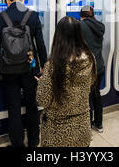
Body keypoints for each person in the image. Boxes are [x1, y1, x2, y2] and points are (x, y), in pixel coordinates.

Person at [0, 0, 47, 147]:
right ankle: (34, 141)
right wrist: (44, 66)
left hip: (8, 69)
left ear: (8, 1)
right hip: (30, 67)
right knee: (31, 104)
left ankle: (17, 143)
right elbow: (40, 44)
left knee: (13, 107)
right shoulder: (33, 16)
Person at [37, 16, 96, 147]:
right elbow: (90, 83)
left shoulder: (53, 65)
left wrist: (41, 82)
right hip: (82, 126)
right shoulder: (90, 59)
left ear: (58, 36)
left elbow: (43, 99)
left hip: (58, 131)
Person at [79, 5, 105, 133]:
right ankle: (99, 124)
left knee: (86, 96)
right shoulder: (100, 26)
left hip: (86, 66)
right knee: (96, 94)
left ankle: (87, 126)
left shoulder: (80, 26)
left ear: (81, 15)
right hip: (99, 66)